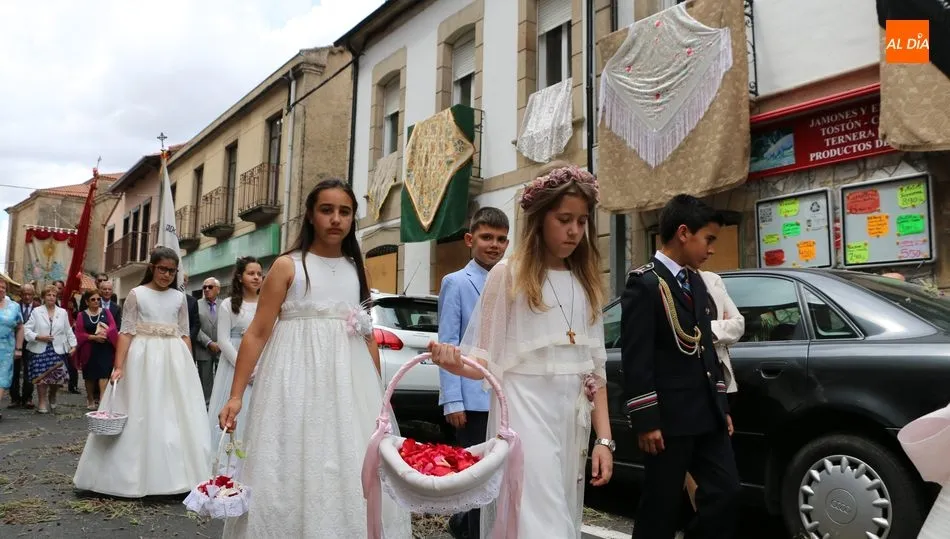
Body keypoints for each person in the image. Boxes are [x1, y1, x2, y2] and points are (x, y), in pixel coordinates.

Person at [217, 178, 411, 538]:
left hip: (347, 385)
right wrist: (236, 395)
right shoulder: (287, 266)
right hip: (293, 380)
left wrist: (379, 395)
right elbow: (257, 332)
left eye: (345, 212)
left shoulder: (358, 269)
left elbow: (367, 334)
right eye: (326, 210)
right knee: (290, 455)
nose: (336, 219)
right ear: (310, 215)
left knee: (346, 457)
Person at [429, 162, 614, 537]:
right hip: (524, 411)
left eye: (582, 221)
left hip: (570, 419)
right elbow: (482, 361)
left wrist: (605, 440)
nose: (574, 230)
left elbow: (596, 372)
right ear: (539, 219)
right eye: (564, 219)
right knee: (539, 518)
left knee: (560, 511)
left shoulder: (587, 282)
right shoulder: (507, 274)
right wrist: (450, 361)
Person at [621, 194, 740, 539]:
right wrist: (646, 420)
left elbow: (707, 349)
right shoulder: (645, 283)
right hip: (669, 421)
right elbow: (637, 356)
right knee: (661, 508)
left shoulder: (697, 282)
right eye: (709, 239)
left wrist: (721, 405)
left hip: (707, 415)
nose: (712, 249)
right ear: (684, 233)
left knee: (726, 492)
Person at [73, 247, 210, 497]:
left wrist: (189, 364)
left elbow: (184, 333)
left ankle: (177, 476)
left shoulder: (179, 298)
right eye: (162, 269)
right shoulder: (137, 294)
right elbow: (126, 332)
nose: (167, 275)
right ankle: (127, 476)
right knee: (140, 408)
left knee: (173, 411)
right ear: (152, 268)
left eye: (172, 271)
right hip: (142, 357)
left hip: (174, 358)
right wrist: (119, 366)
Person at [437, 206, 510, 539]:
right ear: (470, 239)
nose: (494, 245)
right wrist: (453, 400)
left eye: (501, 239)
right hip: (471, 398)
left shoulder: (510, 281)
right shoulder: (456, 283)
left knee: (498, 475)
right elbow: (449, 344)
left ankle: (468, 525)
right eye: (486, 237)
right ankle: (467, 529)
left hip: (503, 395)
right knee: (476, 474)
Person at [684, 269, 744, 511]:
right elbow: (676, 331)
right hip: (686, 382)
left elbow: (738, 325)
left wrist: (700, 331)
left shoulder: (712, 279)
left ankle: (704, 516)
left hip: (718, 381)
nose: (710, 251)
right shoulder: (661, 280)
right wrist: (716, 328)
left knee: (717, 472)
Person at [207, 256, 262, 447]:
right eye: (251, 273)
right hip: (234, 363)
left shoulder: (266, 303)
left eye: (259, 274)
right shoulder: (228, 304)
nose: (256, 277)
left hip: (262, 362)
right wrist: (245, 367)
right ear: (240, 277)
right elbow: (223, 340)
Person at [24, 285, 76, 414]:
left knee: (57, 378)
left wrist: (73, 345)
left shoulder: (62, 312)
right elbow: (26, 329)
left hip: (57, 349)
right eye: (48, 295)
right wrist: (38, 337)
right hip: (40, 348)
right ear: (43, 297)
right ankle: (42, 402)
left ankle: (52, 395)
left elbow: (68, 330)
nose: (51, 297)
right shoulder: (36, 311)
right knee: (41, 377)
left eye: (54, 295)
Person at [74, 289, 118, 410]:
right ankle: (90, 398)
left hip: (105, 348)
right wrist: (94, 337)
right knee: (90, 376)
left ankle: (103, 401)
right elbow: (79, 333)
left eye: (98, 299)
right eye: (93, 299)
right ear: (87, 302)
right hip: (89, 349)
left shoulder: (106, 312)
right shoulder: (81, 315)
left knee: (104, 374)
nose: (96, 301)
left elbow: (113, 326)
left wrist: (105, 333)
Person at [0, 278, 26, 420]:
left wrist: (18, 348)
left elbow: (20, 327)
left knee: (2, 378)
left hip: (6, 348)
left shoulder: (14, 306)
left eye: (3, 287)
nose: (1, 289)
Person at [195, 278, 221, 404]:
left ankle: (220, 403)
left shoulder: (226, 305)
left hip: (222, 349)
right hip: (203, 349)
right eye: (204, 287)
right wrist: (209, 342)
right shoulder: (196, 304)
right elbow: (195, 327)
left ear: (218, 289)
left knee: (222, 379)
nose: (206, 289)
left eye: (210, 287)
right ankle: (206, 406)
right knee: (205, 382)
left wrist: (222, 343)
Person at [9, 283, 35, 409]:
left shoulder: (38, 307)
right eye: (24, 294)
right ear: (20, 295)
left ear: (33, 295)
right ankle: (14, 398)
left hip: (32, 343)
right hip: (15, 342)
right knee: (14, 370)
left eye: (29, 294)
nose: (27, 297)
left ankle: (27, 398)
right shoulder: (14, 306)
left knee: (29, 371)